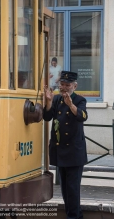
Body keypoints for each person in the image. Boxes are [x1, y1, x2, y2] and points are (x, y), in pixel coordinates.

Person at [43, 70, 88, 219]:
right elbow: (47, 117)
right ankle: (72, 215)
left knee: (72, 188)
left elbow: (83, 116)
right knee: (64, 188)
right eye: (62, 84)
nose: (64, 87)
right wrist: (48, 102)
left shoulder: (80, 100)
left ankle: (75, 216)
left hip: (74, 151)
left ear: (74, 86)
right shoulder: (56, 99)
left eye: (67, 85)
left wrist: (71, 105)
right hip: (59, 149)